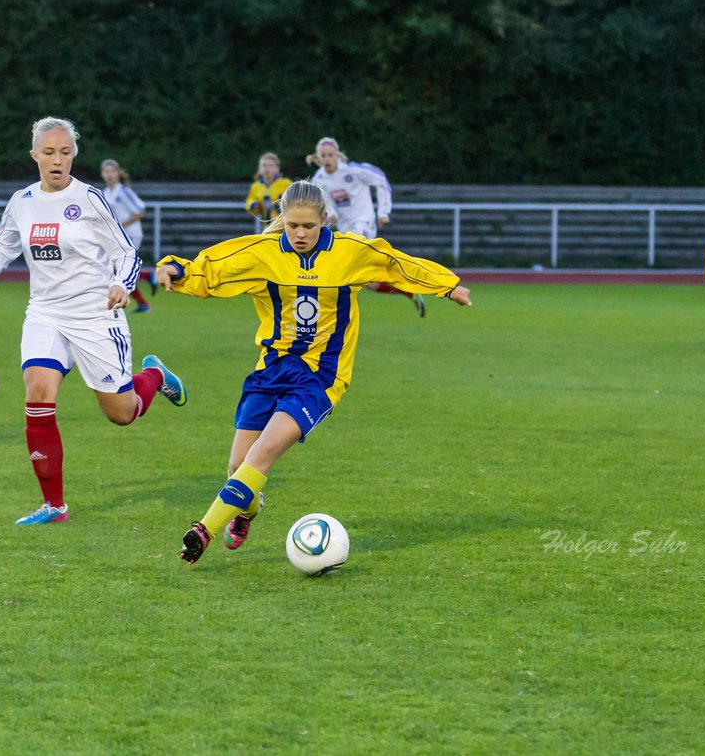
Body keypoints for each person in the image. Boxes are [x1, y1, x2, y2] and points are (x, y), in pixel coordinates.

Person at [153, 180, 472, 564]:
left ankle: (203, 530)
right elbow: (212, 268)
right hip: (270, 370)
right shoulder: (264, 253)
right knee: (238, 467)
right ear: (283, 221)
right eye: (292, 226)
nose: (300, 234)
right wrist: (173, 267)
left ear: (325, 219)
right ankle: (248, 511)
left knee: (262, 455)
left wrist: (447, 286)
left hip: (320, 378)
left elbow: (396, 264)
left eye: (309, 226)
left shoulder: (350, 253)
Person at [0, 117, 187, 524]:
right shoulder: (21, 201)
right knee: (37, 393)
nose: (58, 160)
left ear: (73, 155)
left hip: (95, 315)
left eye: (65, 153)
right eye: (49, 153)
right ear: (34, 156)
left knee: (121, 413)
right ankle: (54, 505)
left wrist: (121, 284)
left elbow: (126, 252)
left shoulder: (91, 199)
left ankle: (156, 376)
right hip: (45, 314)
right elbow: (1, 249)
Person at [307, 136, 426, 317]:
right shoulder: (319, 180)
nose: (327, 158)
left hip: (364, 223)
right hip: (345, 229)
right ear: (318, 158)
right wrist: (330, 214)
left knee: (346, 263)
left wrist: (384, 211)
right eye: (323, 155)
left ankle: (328, 308)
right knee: (369, 282)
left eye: (330, 154)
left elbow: (380, 179)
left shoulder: (354, 170)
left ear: (337, 155)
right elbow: (325, 202)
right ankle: (409, 289)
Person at [99, 157, 153, 312]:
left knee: (121, 269)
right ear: (103, 174)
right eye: (106, 171)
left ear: (117, 173)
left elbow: (140, 211)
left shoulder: (123, 191)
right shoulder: (105, 193)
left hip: (132, 235)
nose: (109, 174)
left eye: (112, 171)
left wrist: (120, 226)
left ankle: (142, 301)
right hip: (118, 237)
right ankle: (148, 279)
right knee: (118, 269)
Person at [244, 152, 291, 225]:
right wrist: (253, 205)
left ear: (277, 169)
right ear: (259, 169)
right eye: (264, 165)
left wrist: (279, 205)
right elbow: (250, 202)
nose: (267, 169)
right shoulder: (256, 186)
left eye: (271, 165)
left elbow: (295, 202)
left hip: (285, 227)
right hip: (267, 228)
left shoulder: (286, 184)